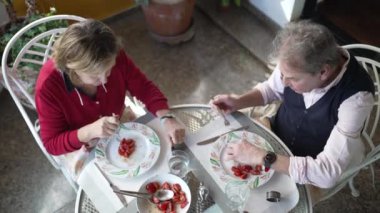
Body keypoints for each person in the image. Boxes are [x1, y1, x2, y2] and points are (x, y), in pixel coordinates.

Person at [211, 20, 375, 189]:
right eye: (281, 73)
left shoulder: (357, 98)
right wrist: (238, 101)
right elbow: (271, 89)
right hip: (276, 132)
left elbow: (327, 174)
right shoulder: (298, 57)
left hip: (309, 164)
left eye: (292, 78)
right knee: (222, 165)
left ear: (323, 72)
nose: (283, 81)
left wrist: (261, 157)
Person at [35, 19, 185, 156]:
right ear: (72, 70)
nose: (105, 80)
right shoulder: (48, 87)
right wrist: (88, 132)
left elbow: (143, 87)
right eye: (95, 76)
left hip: (117, 121)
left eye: (109, 70)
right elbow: (51, 144)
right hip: (77, 142)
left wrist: (167, 117)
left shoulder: (110, 52)